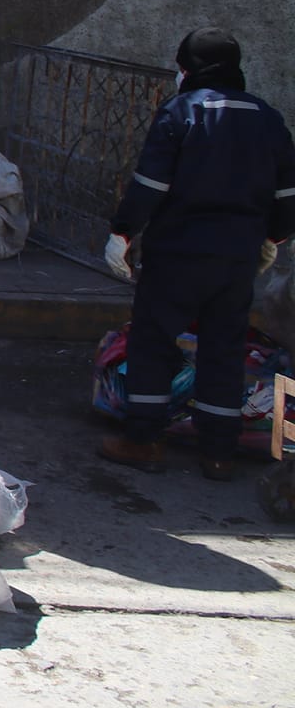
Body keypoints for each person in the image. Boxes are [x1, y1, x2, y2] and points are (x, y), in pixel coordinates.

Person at [100, 28, 295, 480]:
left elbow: (150, 184)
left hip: (178, 253)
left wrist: (122, 233)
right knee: (223, 348)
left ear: (189, 67)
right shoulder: (268, 118)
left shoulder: (181, 111)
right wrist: (273, 238)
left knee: (153, 340)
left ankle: (142, 440)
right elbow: (288, 195)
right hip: (237, 259)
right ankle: (219, 453)